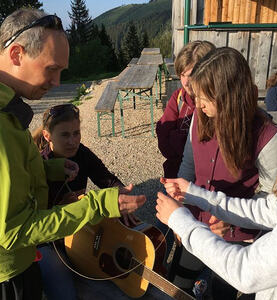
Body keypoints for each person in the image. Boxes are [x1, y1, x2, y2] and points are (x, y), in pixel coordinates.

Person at [0, 8, 145, 300]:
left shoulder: (10, 111)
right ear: (16, 55)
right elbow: (14, 231)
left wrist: (48, 171)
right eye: (51, 69)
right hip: (9, 273)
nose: (56, 82)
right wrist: (99, 204)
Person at [156, 56, 277, 300]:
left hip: (238, 241)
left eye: (205, 96)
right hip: (198, 224)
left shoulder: (267, 137)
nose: (198, 104)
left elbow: (246, 268)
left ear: (229, 96)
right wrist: (186, 197)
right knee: (177, 285)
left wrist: (226, 224)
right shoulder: (197, 121)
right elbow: (276, 208)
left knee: (221, 290)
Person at [32, 104, 138, 300]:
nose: (72, 141)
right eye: (64, 135)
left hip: (80, 230)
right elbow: (33, 217)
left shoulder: (82, 153)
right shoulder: (39, 164)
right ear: (47, 136)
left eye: (76, 133)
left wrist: (122, 196)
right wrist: (58, 206)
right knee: (67, 295)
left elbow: (106, 179)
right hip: (48, 241)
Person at [156, 40, 216, 178]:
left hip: (206, 185)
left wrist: (177, 137)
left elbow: (210, 152)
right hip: (174, 177)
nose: (185, 82)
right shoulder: (178, 97)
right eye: (182, 75)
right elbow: (163, 136)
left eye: (191, 75)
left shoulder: (217, 105)